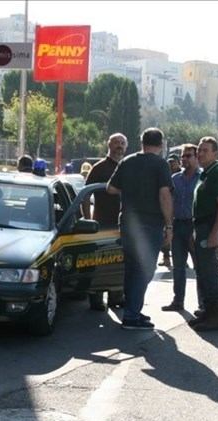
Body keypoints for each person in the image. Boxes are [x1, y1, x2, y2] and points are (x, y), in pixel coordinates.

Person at [107, 128, 173, 330]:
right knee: (144, 270)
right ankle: (131, 316)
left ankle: (132, 309)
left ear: (141, 142)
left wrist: (131, 187)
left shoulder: (128, 162)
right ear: (161, 145)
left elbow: (110, 188)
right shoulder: (161, 165)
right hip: (150, 224)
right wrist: (169, 225)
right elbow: (164, 196)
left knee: (133, 269)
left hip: (127, 222)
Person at [189, 136, 218, 332]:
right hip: (201, 227)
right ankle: (208, 312)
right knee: (203, 272)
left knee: (211, 272)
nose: (200, 153)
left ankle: (217, 316)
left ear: (215, 154)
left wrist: (214, 233)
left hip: (210, 228)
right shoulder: (205, 174)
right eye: (199, 150)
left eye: (205, 150)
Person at [83, 132, 128, 311]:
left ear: (126, 147)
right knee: (99, 263)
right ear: (109, 146)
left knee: (119, 262)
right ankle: (96, 298)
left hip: (122, 225)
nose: (119, 146)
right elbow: (86, 194)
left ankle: (116, 296)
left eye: (122, 143)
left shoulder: (127, 166)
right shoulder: (99, 168)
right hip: (101, 225)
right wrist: (87, 219)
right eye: (116, 143)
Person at [161, 144, 201, 312]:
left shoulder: (203, 178)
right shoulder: (175, 179)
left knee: (199, 267)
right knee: (178, 267)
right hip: (177, 226)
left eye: (188, 156)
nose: (184, 159)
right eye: (183, 156)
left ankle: (203, 305)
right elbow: (167, 201)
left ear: (196, 158)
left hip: (195, 226)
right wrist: (168, 227)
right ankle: (178, 301)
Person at [158, 154, 182, 269]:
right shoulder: (165, 175)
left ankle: (182, 259)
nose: (171, 164)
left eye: (173, 162)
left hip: (179, 210)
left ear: (178, 163)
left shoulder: (182, 175)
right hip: (167, 210)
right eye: (170, 162)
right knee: (166, 234)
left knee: (179, 236)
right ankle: (166, 257)